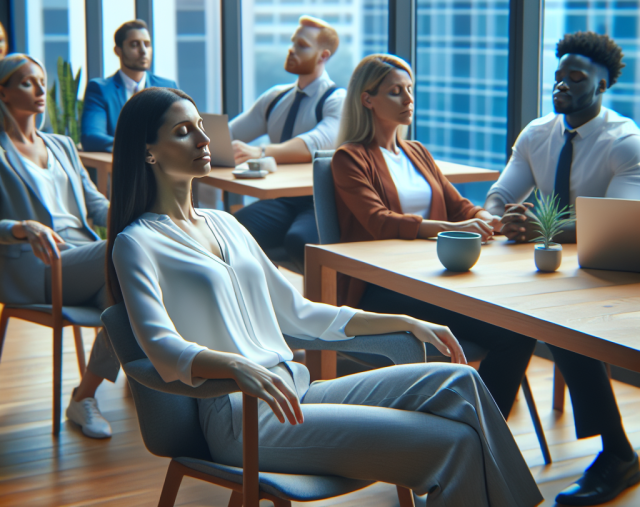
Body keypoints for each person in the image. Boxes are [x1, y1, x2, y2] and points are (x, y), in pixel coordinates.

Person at [106, 86, 542, 507]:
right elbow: (160, 348)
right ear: (149, 152)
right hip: (243, 418)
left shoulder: (227, 223)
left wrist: (400, 321)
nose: (204, 139)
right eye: (183, 131)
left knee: (462, 380)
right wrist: (235, 364)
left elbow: (297, 314)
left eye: (201, 125)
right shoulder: (137, 242)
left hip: (299, 392)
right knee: (454, 442)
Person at [330, 53, 537, 420]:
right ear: (367, 99)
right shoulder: (349, 158)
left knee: (520, 328)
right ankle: (475, 434)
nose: (408, 100)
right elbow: (380, 221)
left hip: (435, 278)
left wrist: (493, 220)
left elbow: (459, 206)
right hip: (382, 288)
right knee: (512, 335)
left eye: (410, 90)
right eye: (396, 92)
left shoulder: (417, 152)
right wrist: (454, 230)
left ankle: (472, 433)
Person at [484, 31, 640, 506]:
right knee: (513, 321)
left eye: (576, 77)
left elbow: (614, 224)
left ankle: (616, 454)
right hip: (553, 269)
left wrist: (544, 229)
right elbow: (500, 194)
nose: (562, 86)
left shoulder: (625, 142)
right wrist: (500, 217)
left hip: (613, 270)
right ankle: (481, 440)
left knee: (550, 321)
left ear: (603, 83)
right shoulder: (538, 134)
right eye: (558, 77)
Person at [0, 54, 119, 438]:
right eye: (25, 82)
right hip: (38, 266)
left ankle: (84, 397)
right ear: (2, 92)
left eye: (41, 81)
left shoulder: (63, 145)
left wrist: (131, 212)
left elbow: (95, 204)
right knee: (126, 253)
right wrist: (21, 227)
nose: (39, 89)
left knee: (127, 302)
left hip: (84, 257)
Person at [229, 15, 345, 273]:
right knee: (230, 231)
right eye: (293, 42)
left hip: (320, 201)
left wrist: (258, 151)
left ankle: (325, 306)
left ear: (323, 55)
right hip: (282, 200)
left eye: (302, 45)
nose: (292, 49)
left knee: (299, 242)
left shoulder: (337, 100)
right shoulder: (275, 97)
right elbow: (230, 134)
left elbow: (313, 146)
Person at [80, 19, 178, 152]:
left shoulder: (167, 87)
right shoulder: (100, 89)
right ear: (118, 51)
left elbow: (181, 131)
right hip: (119, 168)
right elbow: (91, 137)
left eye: (147, 44)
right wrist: (140, 149)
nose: (143, 51)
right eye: (134, 44)